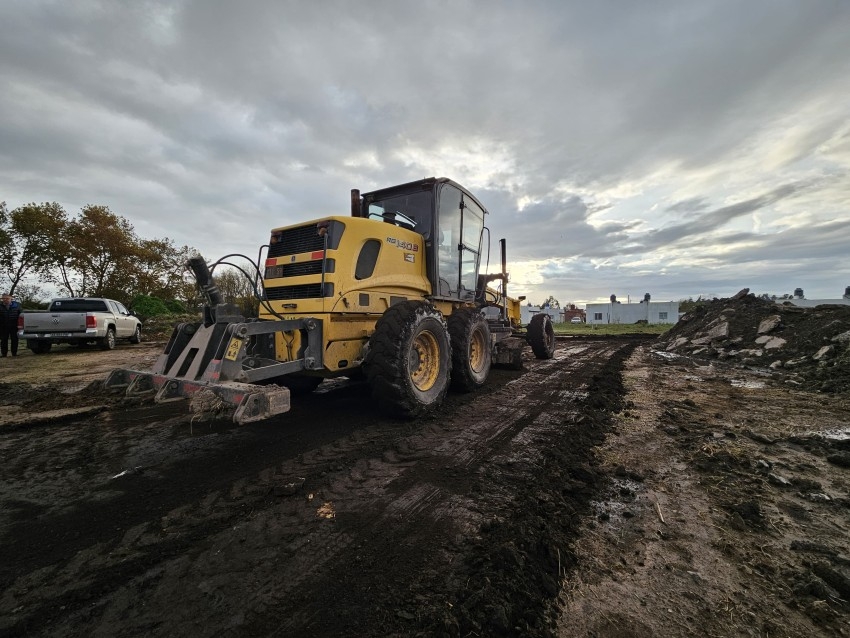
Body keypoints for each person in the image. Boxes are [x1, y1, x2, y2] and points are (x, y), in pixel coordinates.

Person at [0, 293, 22, 357]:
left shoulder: (17, 305)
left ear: (11, 298)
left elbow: (21, 315)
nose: (5, 300)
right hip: (3, 326)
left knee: (14, 339)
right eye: (3, 298)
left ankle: (14, 353)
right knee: (4, 340)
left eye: (7, 298)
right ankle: (4, 354)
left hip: (14, 326)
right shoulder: (0, 306)